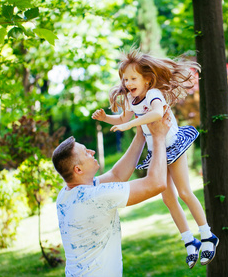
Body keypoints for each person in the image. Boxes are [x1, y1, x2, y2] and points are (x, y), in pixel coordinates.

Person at [91, 48, 218, 269]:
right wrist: (106, 118)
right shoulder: (131, 99)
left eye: (133, 78)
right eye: (125, 79)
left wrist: (131, 124)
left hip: (172, 146)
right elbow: (122, 117)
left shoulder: (153, 95)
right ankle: (189, 240)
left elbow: (157, 114)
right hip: (157, 152)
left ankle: (208, 235)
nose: (128, 83)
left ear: (148, 79)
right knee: (168, 199)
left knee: (185, 192)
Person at [52, 111, 172, 276]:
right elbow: (156, 183)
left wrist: (140, 136)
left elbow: (116, 176)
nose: (92, 152)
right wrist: (158, 137)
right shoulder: (94, 197)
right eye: (86, 152)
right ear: (77, 169)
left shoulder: (67, 194)